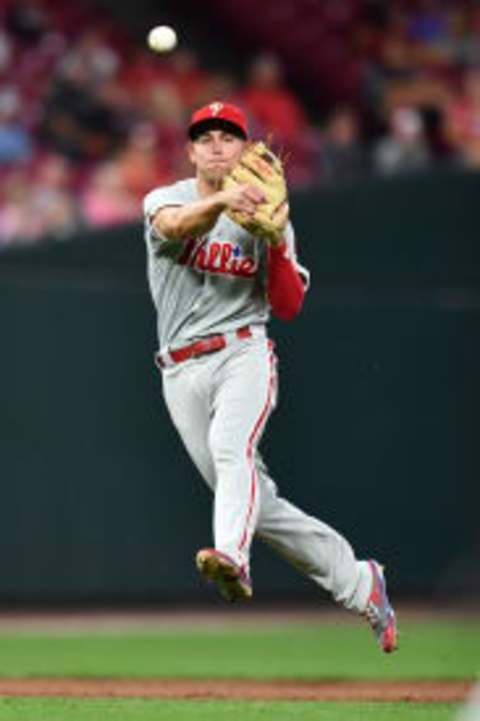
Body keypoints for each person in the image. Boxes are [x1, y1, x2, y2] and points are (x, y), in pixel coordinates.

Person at [142, 101, 398, 653]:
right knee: (257, 502)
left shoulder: (268, 213)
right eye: (204, 137)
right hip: (180, 367)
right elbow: (175, 227)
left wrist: (278, 241)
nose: (215, 145)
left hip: (243, 354)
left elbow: (288, 304)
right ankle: (360, 582)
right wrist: (223, 202)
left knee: (231, 451)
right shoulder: (166, 200)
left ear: (244, 149)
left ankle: (231, 557)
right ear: (190, 151)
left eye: (227, 137)